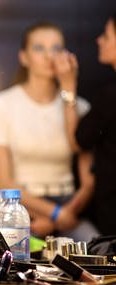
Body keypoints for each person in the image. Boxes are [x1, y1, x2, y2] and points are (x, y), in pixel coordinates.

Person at [0, 21, 100, 242]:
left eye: (57, 48)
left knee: (95, 245)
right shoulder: (3, 104)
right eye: (39, 48)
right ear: (24, 57)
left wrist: (61, 216)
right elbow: (3, 180)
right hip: (21, 207)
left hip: (70, 205)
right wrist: (53, 213)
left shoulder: (80, 107)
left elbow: (89, 181)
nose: (49, 56)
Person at [75, 13, 116, 236]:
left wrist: (68, 88)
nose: (99, 40)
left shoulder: (109, 97)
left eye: (107, 36)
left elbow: (78, 141)